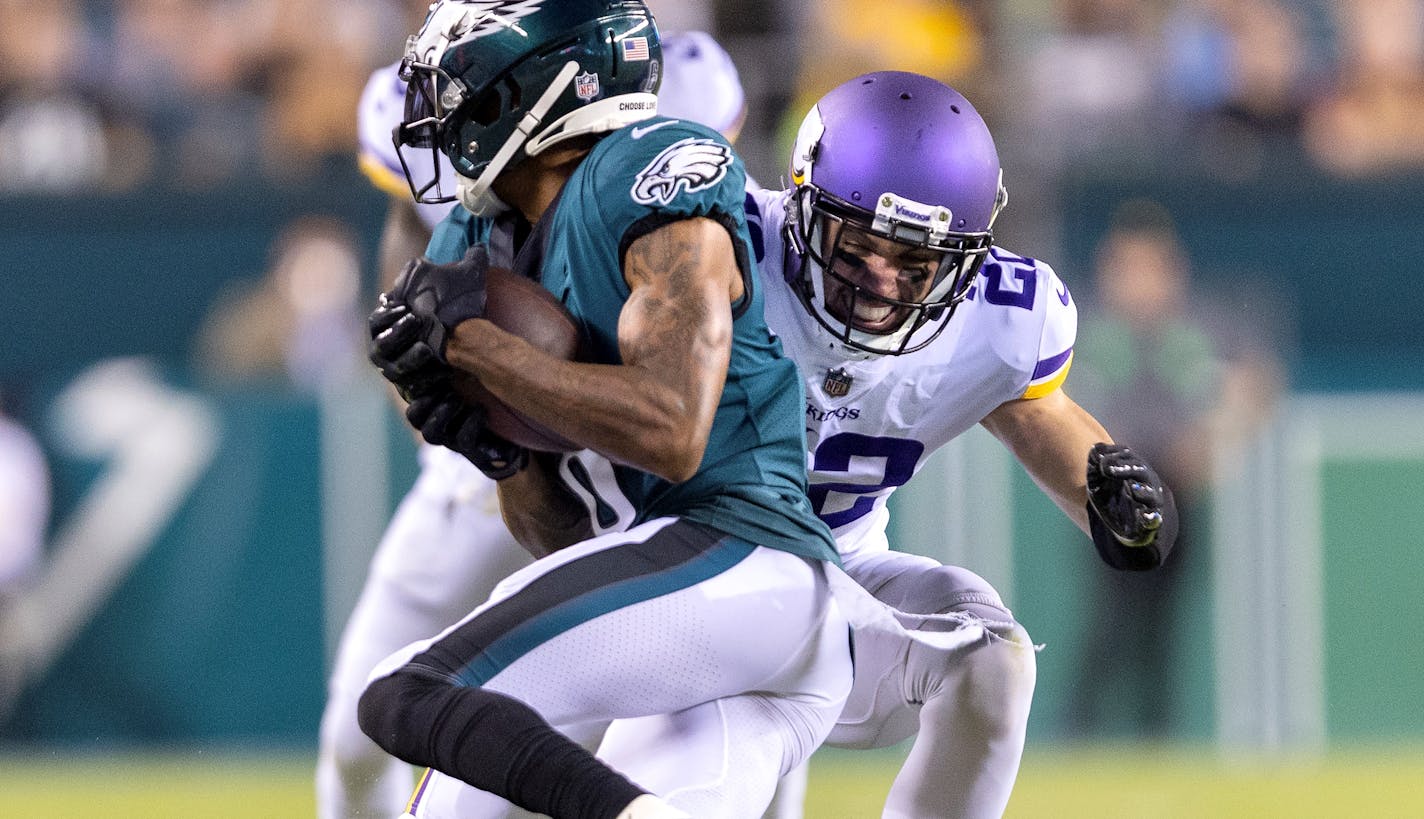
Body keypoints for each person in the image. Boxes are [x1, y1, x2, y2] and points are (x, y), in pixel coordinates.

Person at [373, 61, 1181, 819]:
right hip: (651, 571)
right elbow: (560, 504)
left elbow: (1045, 418)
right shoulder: (706, 249)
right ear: (801, 209)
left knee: (992, 655)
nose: (880, 282)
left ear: (963, 263)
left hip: (828, 581)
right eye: (858, 244)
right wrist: (500, 430)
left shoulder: (1000, 321)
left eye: (914, 262)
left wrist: (1117, 497)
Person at [357, 3, 852, 818]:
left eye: (459, 89)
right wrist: (499, 450)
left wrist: (479, 352)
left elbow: (671, 428)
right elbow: (568, 535)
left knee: (409, 691)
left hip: (746, 558)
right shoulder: (475, 244)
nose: (437, 116)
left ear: (538, 91)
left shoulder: (648, 168)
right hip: (658, 585)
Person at [1067, 198, 1281, 737]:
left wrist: (1213, 439)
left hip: (1176, 490)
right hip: (1110, 497)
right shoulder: (1084, 325)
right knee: (1111, 621)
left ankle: (1154, 733)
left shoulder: (1200, 324)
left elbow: (1255, 381)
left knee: (1162, 625)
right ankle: (1080, 728)